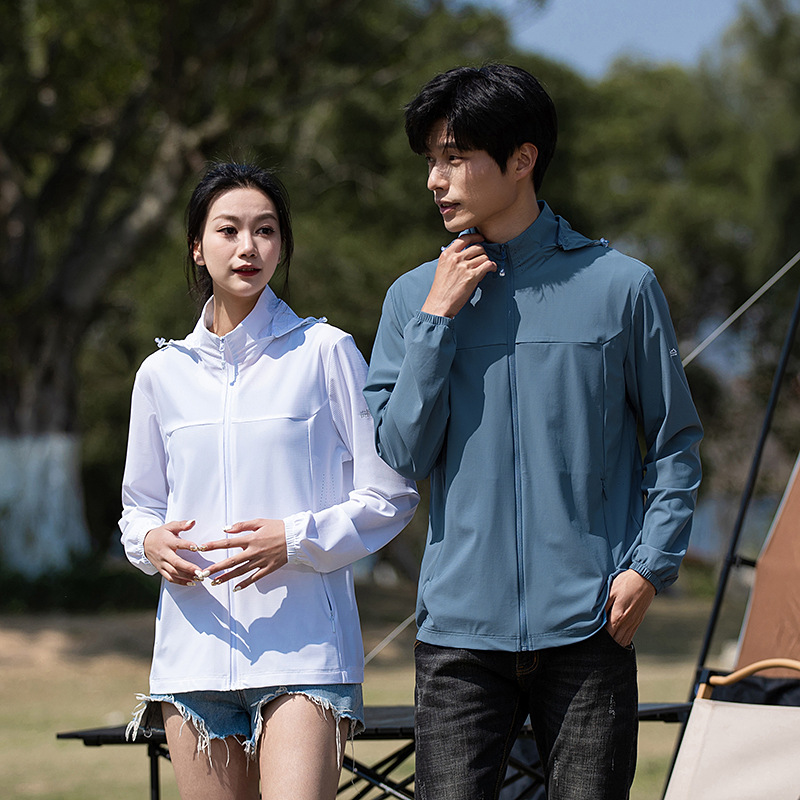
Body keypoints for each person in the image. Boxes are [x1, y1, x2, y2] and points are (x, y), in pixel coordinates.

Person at [363, 65, 703, 800]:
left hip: (590, 626)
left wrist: (650, 566)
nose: (435, 179)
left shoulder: (622, 286)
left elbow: (674, 442)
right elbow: (402, 452)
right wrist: (436, 321)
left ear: (522, 159)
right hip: (457, 636)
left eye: (455, 157)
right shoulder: (412, 296)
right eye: (431, 160)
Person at [120, 162, 419, 800]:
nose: (248, 246)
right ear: (197, 247)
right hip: (192, 657)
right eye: (228, 230)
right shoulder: (160, 374)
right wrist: (148, 542)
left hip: (306, 652)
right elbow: (139, 506)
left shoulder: (326, 351)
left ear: (281, 245)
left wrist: (295, 538)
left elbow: (390, 494)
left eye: (266, 230)